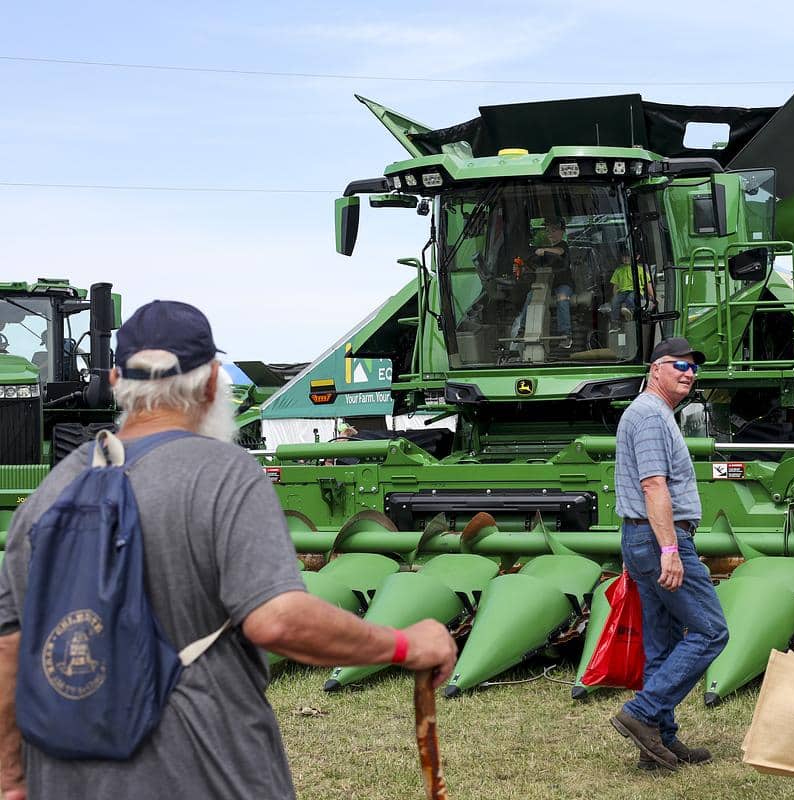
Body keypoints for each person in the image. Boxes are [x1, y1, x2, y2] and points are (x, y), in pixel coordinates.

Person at [0, 300, 457, 800]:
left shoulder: (47, 496)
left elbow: (8, 648)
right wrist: (403, 645)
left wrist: (10, 777)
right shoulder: (226, 475)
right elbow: (277, 621)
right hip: (205, 774)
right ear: (213, 383)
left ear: (115, 381)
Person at [609, 337, 728, 772]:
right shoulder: (649, 416)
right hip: (659, 538)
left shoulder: (653, 413)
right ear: (655, 368)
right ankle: (641, 713)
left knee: (663, 643)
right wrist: (670, 550)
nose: (689, 373)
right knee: (711, 632)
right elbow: (653, 486)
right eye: (679, 365)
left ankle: (658, 743)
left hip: (644, 538)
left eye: (694, 368)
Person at [510, 218, 574, 346]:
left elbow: (559, 251)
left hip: (562, 285)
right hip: (546, 284)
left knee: (562, 298)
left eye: (554, 230)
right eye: (548, 230)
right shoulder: (543, 252)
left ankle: (565, 334)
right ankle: (522, 330)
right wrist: (522, 268)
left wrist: (545, 250)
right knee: (530, 296)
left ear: (562, 232)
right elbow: (534, 265)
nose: (550, 233)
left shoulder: (563, 245)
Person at [609, 253, 654, 323]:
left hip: (636, 291)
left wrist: (653, 296)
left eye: (628, 256)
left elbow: (647, 284)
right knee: (614, 301)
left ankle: (631, 313)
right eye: (624, 256)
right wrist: (615, 296)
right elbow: (615, 286)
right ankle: (615, 320)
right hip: (622, 292)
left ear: (637, 257)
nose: (626, 258)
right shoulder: (618, 270)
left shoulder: (640, 270)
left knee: (630, 298)